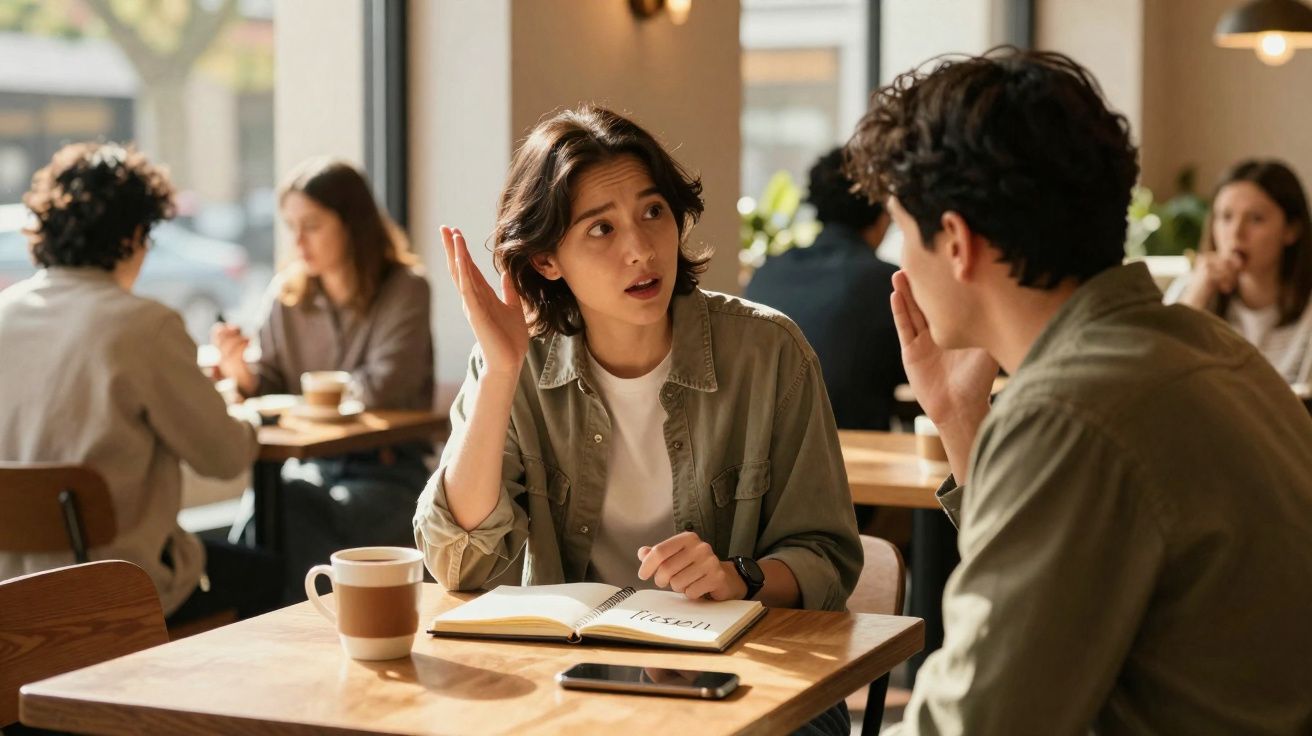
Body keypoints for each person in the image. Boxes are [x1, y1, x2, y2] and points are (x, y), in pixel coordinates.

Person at [842, 49, 1312, 734]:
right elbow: (1046, 607)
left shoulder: (1070, 414)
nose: (897, 262)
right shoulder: (1210, 349)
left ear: (955, 242)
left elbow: (979, 722)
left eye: (902, 234)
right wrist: (960, 416)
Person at [413, 106, 861, 736]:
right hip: (573, 682)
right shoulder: (513, 366)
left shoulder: (767, 353)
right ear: (546, 260)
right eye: (600, 229)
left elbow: (827, 556)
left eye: (653, 212)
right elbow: (457, 563)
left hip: (748, 677)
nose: (641, 249)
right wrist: (501, 372)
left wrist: (739, 577)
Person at [0, 142, 279, 624]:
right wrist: (246, 414)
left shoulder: (5, 314)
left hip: (13, 596)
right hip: (115, 590)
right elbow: (226, 457)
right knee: (271, 576)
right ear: (132, 236)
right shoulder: (143, 326)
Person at [212, 158, 434, 594]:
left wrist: (297, 399)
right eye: (290, 225)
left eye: (311, 225)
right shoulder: (288, 295)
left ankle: (254, 619)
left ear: (352, 224)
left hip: (387, 475)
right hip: (313, 468)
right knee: (281, 499)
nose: (297, 240)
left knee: (286, 507)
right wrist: (242, 371)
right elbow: (268, 381)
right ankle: (277, 623)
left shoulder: (405, 288)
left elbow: (380, 388)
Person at [745, 147, 904, 430]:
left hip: (763, 454)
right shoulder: (888, 283)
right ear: (883, 213)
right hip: (850, 457)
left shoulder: (767, 271)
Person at [1164, 160, 1312, 385]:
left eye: (1256, 219)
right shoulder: (1189, 290)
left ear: (1291, 230)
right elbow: (1155, 373)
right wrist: (1196, 298)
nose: (1236, 233)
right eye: (1225, 217)